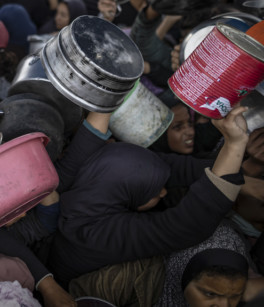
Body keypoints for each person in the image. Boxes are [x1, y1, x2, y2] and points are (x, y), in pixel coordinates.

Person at [48, 106, 250, 286]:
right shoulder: (92, 235)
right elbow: (185, 226)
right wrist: (235, 145)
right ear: (125, 194)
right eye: (154, 191)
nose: (163, 192)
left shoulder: (96, 180)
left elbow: (177, 168)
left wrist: (235, 145)